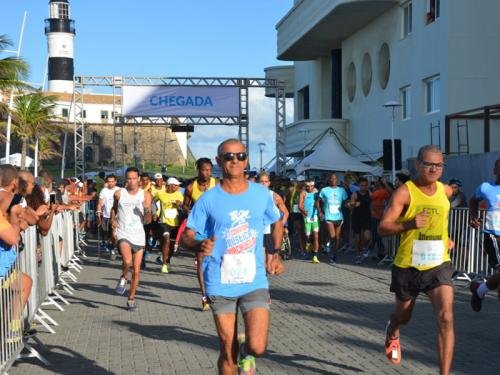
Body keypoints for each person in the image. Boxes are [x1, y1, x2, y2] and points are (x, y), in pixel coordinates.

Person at [181, 138, 284, 375]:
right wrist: (198, 245)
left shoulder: (261, 194)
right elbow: (187, 236)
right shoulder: (208, 199)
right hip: (220, 281)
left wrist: (275, 254)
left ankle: (248, 352)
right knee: (227, 349)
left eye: (240, 156)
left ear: (246, 159)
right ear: (219, 161)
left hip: (254, 280)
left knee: (258, 346)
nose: (235, 161)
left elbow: (277, 221)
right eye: (228, 156)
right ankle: (237, 356)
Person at [379, 145, 455, 375]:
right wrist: (409, 224)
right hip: (408, 266)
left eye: (438, 165)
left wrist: (447, 237)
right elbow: (383, 227)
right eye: (428, 164)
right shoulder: (405, 192)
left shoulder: (445, 191)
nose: (433, 169)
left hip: (438, 264)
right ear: (417, 164)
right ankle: (392, 330)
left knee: (446, 316)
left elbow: (442, 214)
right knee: (404, 316)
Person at [111, 167, 153, 311]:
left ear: (139, 179)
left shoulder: (145, 195)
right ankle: (123, 277)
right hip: (123, 233)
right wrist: (113, 220)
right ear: (125, 179)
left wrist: (146, 210)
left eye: (134, 178)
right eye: (129, 178)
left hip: (139, 235)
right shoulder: (119, 193)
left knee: (136, 271)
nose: (132, 181)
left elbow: (148, 221)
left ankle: (131, 299)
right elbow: (114, 208)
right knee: (127, 261)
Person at [183, 157, 218, 311]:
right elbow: (185, 204)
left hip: (216, 227)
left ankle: (216, 289)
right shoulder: (191, 187)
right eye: (204, 170)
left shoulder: (216, 184)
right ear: (198, 170)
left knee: (218, 260)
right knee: (201, 260)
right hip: (199, 228)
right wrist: (189, 211)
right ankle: (205, 296)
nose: (207, 173)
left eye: (210, 170)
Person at [469, 158, 500, 312]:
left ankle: (479, 291)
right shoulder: (486, 188)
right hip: (493, 236)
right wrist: (473, 217)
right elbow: (473, 201)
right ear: (495, 171)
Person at [153, 176, 184, 273]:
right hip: (164, 222)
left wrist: (179, 205)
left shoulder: (179, 194)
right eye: (176, 185)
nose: (177, 187)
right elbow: (153, 201)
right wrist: (155, 212)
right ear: (170, 186)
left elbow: (182, 207)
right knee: (166, 240)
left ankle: (168, 260)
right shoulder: (161, 194)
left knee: (171, 243)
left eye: (178, 186)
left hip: (175, 223)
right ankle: (164, 264)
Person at [316, 173, 348, 264]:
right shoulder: (324, 190)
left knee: (337, 238)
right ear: (328, 180)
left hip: (339, 217)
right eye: (331, 179)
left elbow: (346, 202)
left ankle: (334, 255)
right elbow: (317, 202)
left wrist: (349, 204)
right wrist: (320, 212)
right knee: (333, 236)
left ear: (337, 180)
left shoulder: (341, 190)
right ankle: (329, 246)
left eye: (335, 179)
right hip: (329, 217)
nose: (333, 180)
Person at [349, 177, 372, 264]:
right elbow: (351, 205)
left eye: (365, 185)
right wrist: (354, 204)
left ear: (367, 186)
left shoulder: (369, 193)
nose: (364, 187)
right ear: (359, 186)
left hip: (367, 218)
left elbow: (373, 203)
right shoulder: (355, 194)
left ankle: (365, 248)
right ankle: (358, 255)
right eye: (362, 186)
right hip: (357, 218)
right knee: (357, 239)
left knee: (367, 237)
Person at [96, 175, 119, 257]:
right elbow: (100, 203)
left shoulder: (119, 190)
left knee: (113, 234)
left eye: (112, 181)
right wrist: (98, 213)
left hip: (116, 217)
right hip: (106, 215)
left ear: (115, 182)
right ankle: (110, 245)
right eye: (109, 181)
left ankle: (113, 248)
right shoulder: (104, 191)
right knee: (107, 233)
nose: (111, 183)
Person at [370, 177, 392, 260]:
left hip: (378, 216)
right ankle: (380, 252)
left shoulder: (380, 192)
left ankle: (379, 252)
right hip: (379, 215)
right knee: (378, 235)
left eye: (376, 182)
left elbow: (371, 197)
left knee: (377, 235)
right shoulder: (383, 191)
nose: (375, 183)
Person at [299, 178, 320, 263]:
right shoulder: (303, 193)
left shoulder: (316, 192)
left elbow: (319, 202)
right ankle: (308, 243)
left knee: (316, 236)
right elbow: (300, 205)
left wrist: (320, 211)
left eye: (311, 186)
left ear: (313, 185)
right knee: (308, 236)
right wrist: (303, 211)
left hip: (314, 217)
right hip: (307, 217)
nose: (309, 188)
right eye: (307, 186)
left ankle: (315, 255)